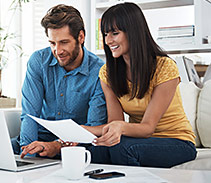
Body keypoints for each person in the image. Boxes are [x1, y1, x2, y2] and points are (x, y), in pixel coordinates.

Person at [83, 2, 197, 168]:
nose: (108, 40)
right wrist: (82, 130)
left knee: (123, 149)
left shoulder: (164, 67)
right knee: (96, 149)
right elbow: (115, 123)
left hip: (177, 142)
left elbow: (147, 128)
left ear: (133, 33)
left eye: (115, 33)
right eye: (105, 34)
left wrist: (118, 128)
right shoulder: (107, 73)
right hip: (140, 140)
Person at [12, 4, 107, 158]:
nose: (57, 50)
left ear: (81, 37)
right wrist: (28, 153)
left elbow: (93, 126)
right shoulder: (39, 61)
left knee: (98, 151)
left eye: (64, 42)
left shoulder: (99, 71)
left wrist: (57, 145)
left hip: (77, 143)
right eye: (52, 43)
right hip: (40, 138)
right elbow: (29, 114)